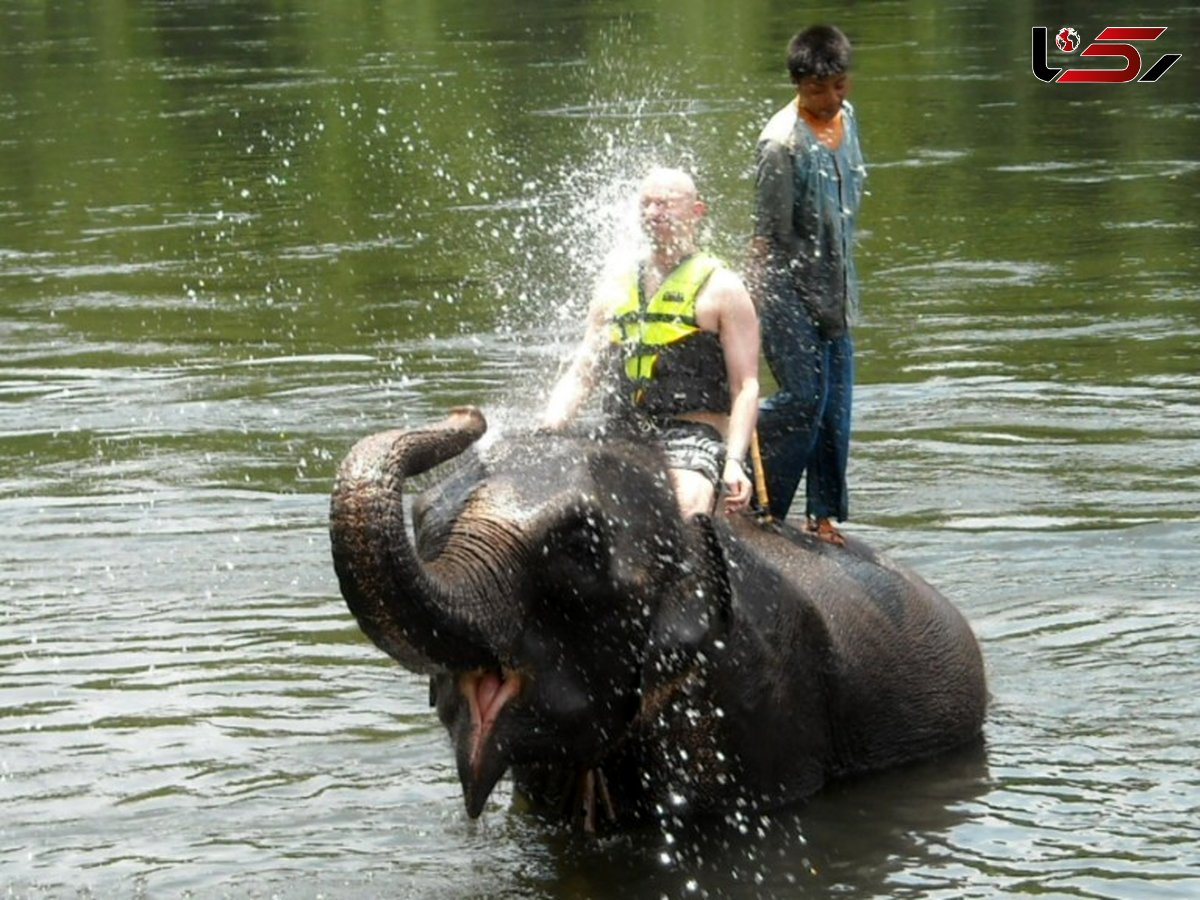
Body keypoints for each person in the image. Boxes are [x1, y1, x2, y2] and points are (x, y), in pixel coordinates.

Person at [542, 167, 760, 520]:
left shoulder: (722, 287)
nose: (653, 213)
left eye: (665, 204)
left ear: (696, 211)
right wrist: (549, 428)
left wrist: (734, 462)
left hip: (691, 435)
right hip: (621, 433)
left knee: (687, 510)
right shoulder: (614, 286)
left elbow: (745, 386)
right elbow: (583, 372)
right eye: (646, 204)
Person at [747, 24, 866, 545]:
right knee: (802, 398)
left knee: (835, 404)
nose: (831, 98)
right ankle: (757, 495)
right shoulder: (780, 144)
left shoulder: (848, 121)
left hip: (835, 287)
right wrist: (753, 307)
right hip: (785, 288)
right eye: (819, 90)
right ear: (798, 84)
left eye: (839, 85)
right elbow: (766, 236)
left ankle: (822, 515)